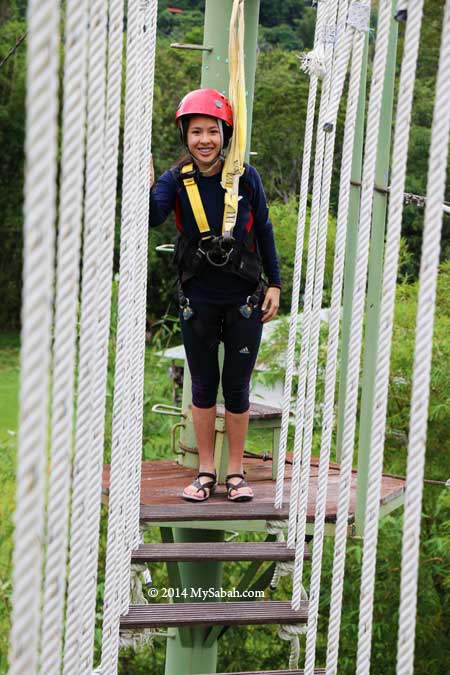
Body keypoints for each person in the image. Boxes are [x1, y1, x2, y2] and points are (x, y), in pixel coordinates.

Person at [149, 88, 281, 502]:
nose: (204, 140)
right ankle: (206, 472)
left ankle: (236, 473)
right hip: (199, 299)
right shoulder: (176, 180)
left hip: (244, 297)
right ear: (185, 138)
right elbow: (151, 218)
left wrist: (275, 284)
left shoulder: (245, 178)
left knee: (237, 388)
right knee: (203, 387)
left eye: (212, 132)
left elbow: (263, 231)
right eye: (195, 133)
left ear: (225, 135)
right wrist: (144, 181)